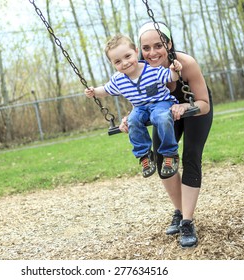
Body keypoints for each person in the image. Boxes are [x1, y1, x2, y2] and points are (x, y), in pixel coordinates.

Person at [119, 22, 213, 248]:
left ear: (169, 44)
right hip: (164, 115)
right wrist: (129, 118)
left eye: (158, 45)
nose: (152, 53)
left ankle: (188, 222)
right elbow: (140, 103)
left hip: (194, 110)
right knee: (162, 158)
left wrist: (184, 108)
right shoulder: (139, 69)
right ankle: (179, 212)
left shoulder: (186, 64)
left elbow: (204, 104)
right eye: (146, 47)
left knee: (191, 156)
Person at [84, 34, 182, 178]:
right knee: (133, 121)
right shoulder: (118, 80)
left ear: (136, 51)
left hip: (161, 103)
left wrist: (175, 70)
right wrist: (94, 92)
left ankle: (170, 154)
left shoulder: (152, 69)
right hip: (139, 107)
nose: (124, 63)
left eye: (128, 56)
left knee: (161, 118)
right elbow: (105, 90)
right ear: (112, 64)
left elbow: (172, 77)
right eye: (117, 61)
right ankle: (145, 155)